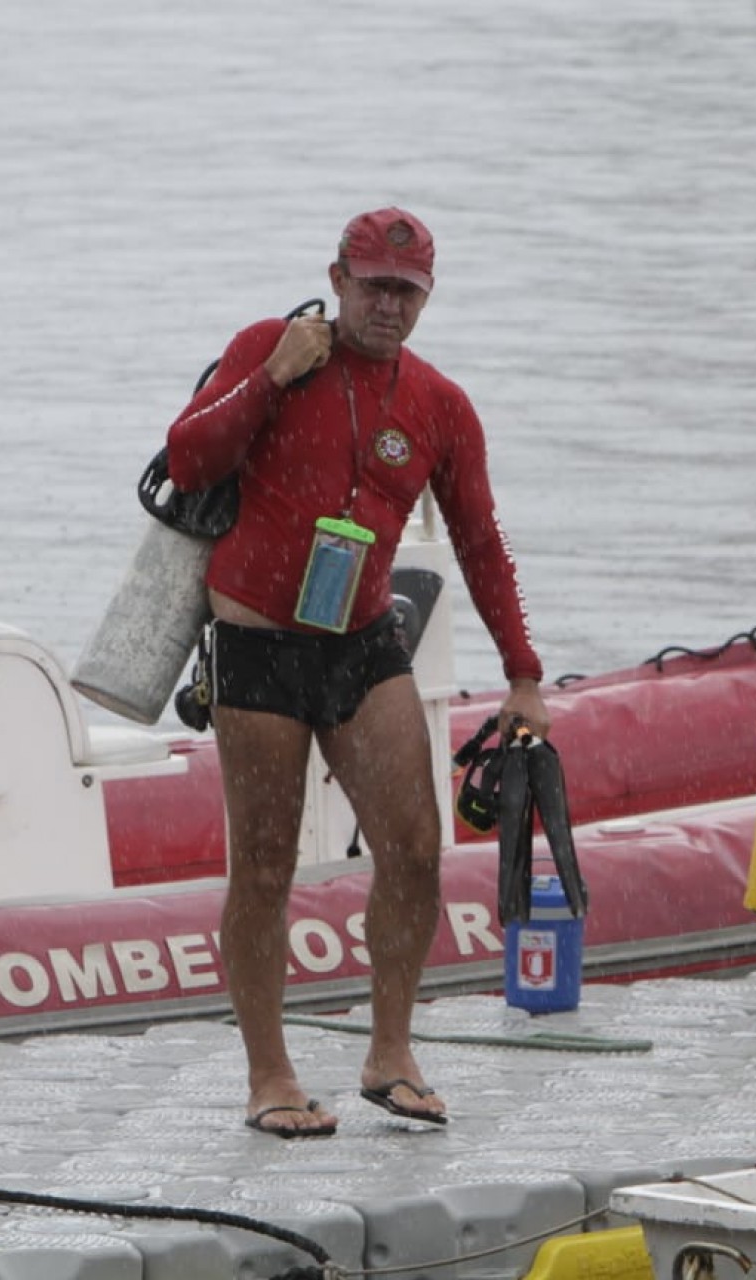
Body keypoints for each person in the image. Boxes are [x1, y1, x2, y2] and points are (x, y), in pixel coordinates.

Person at [166, 207, 549, 1136]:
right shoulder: (270, 346)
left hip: (362, 639)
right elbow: (188, 456)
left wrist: (524, 671)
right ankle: (270, 1076)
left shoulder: (440, 404)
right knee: (262, 866)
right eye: (374, 286)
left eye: (407, 292)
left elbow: (480, 540)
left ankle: (391, 1053)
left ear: (427, 298)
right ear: (336, 278)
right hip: (257, 641)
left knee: (415, 849)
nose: (389, 306)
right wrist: (270, 378)